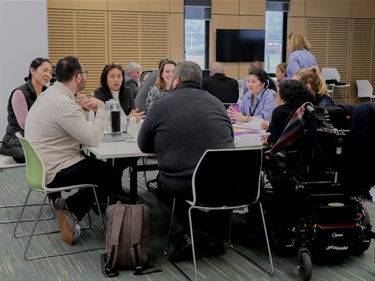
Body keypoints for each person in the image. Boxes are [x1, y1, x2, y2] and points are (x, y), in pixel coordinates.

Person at [137, 61, 235, 261]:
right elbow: (230, 139)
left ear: (177, 80)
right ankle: (213, 236)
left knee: (163, 187)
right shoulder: (217, 103)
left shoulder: (161, 105)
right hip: (222, 183)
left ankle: (183, 236)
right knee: (208, 182)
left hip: (181, 183)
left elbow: (144, 146)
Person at [25, 56, 120, 245]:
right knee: (110, 175)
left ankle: (67, 202)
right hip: (55, 169)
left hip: (43, 164)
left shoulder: (51, 94)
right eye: (84, 73)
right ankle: (72, 208)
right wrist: (101, 108)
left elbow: (68, 128)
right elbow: (92, 139)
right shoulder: (63, 103)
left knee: (96, 167)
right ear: (77, 77)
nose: (85, 76)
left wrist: (81, 110)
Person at [0, 57, 53, 163]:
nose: (48, 75)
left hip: (40, 141)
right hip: (20, 144)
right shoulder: (19, 93)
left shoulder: (48, 93)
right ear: (32, 70)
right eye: (45, 70)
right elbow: (25, 125)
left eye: (51, 72)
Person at [262, 80, 316, 147]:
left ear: (284, 100)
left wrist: (269, 139)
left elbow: (279, 140)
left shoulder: (280, 112)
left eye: (277, 95)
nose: (275, 98)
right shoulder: (306, 109)